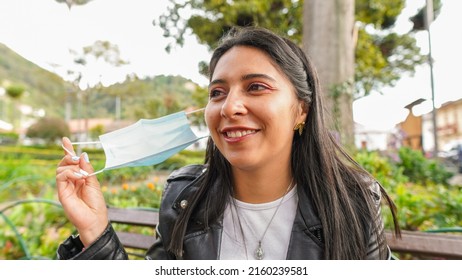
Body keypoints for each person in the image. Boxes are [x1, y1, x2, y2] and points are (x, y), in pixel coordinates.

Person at [56, 26, 400, 260]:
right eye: (217, 93)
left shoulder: (350, 202)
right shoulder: (184, 199)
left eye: (256, 87)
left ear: (302, 110)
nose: (230, 107)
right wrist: (94, 229)